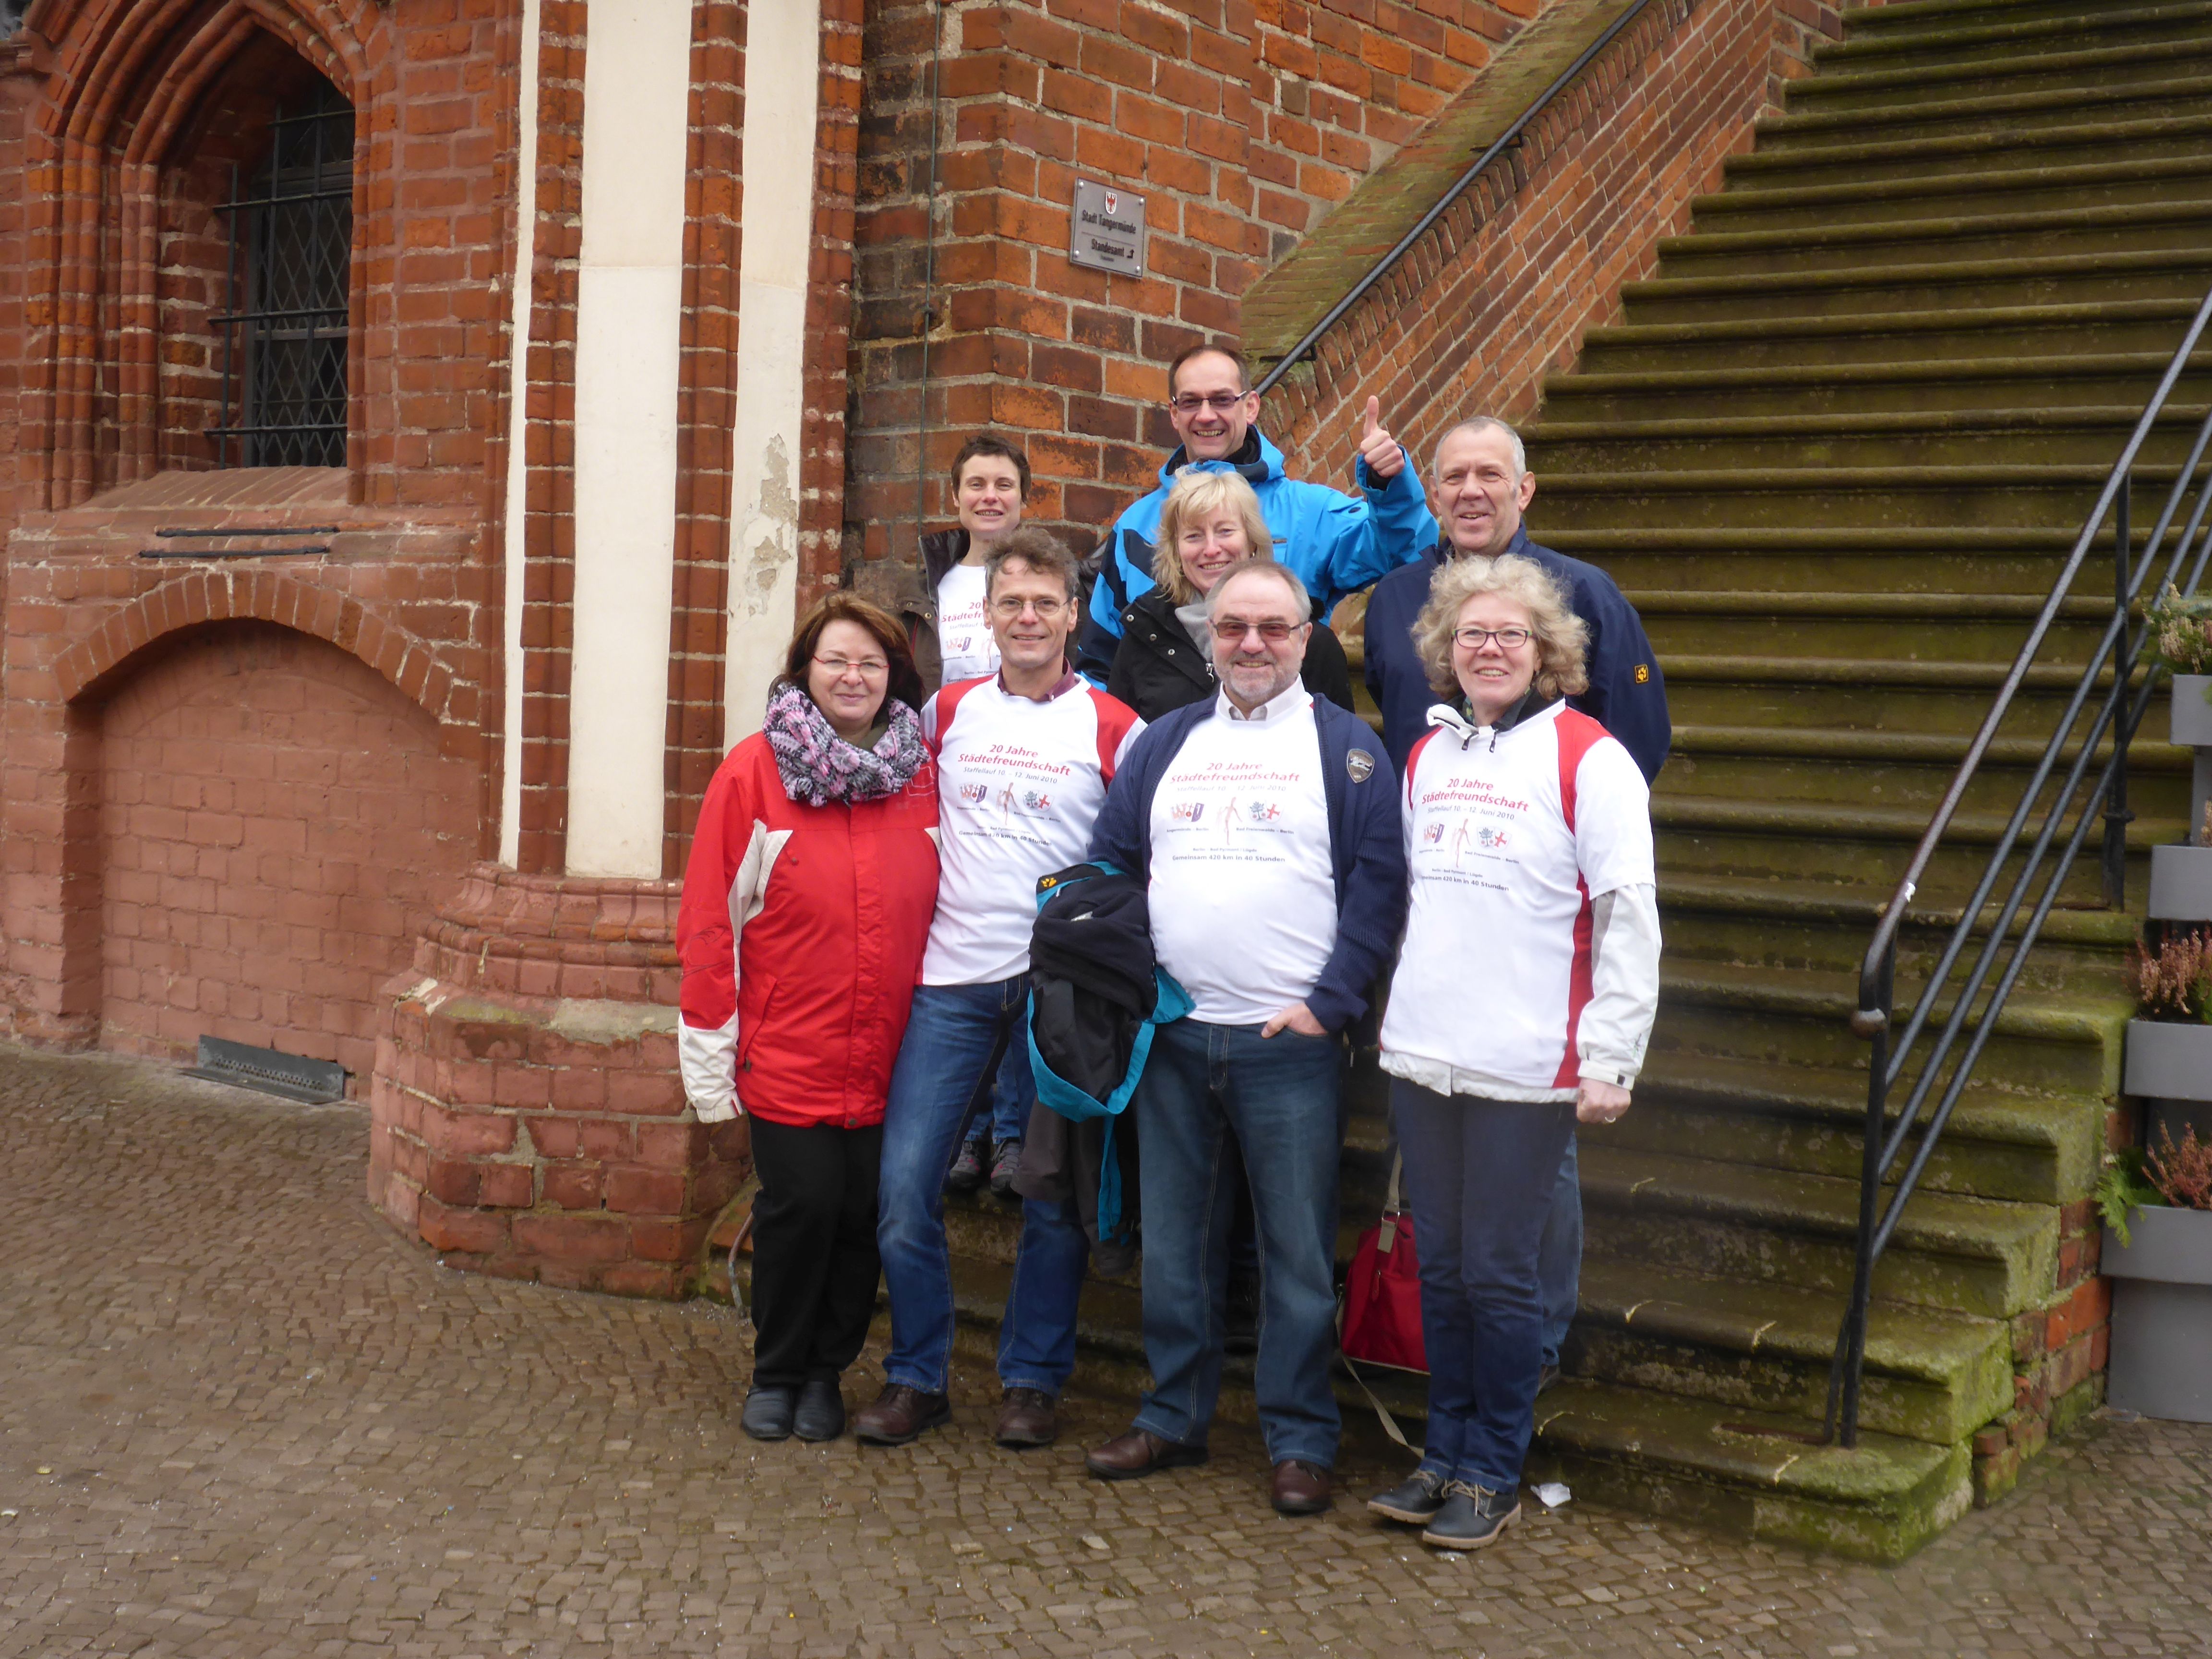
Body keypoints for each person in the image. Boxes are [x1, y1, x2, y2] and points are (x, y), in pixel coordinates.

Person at [1082, 561, 1407, 1517]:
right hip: (1175, 1038)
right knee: (1175, 1245)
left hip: (1291, 1046)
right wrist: (1137, 982)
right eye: (1232, 629)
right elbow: (1111, 862)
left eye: (1272, 627)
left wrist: (1332, 1004)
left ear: (1307, 637)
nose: (1252, 644)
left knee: (1295, 1254)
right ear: (1208, 637)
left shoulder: (1347, 751)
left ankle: (1302, 1438)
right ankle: (1173, 1416)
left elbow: (1381, 888)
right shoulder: (1163, 742)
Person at [1361, 414, 1671, 1392]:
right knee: (1451, 1184)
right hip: (1444, 919)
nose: (1470, 491)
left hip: (1541, 929)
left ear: (1523, 491)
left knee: (1541, 1169)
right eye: (1452, 476)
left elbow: (1637, 744)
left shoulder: (1590, 595)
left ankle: (1530, 1350)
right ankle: (1465, 1356)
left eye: (1490, 475)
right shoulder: (1396, 600)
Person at [857, 528, 1147, 1453]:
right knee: (904, 1190)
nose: (1027, 619)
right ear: (987, 617)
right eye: (1011, 604)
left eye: (1044, 603)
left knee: (1048, 1198)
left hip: (1057, 993)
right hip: (948, 978)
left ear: (1074, 613)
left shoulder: (1114, 727)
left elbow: (1143, 859)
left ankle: (1030, 1381)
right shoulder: (944, 713)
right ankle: (917, 1375)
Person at [676, 594, 940, 1445]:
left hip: (893, 1049)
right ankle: (776, 1369)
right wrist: (709, 1058)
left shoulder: (921, 772)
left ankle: (827, 1370)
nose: (853, 676)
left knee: (865, 1216)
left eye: (870, 662)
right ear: (805, 670)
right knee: (801, 1209)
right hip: (789, 1044)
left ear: (893, 675)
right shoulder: (753, 772)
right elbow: (710, 920)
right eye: (835, 660)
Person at [1074, 345, 1434, 684]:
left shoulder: (1310, 513)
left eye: (1221, 400)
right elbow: (1101, 661)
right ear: (1174, 414)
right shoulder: (1136, 526)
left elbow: (1410, 552)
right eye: (1190, 402)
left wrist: (1389, 485)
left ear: (1250, 407)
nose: (1205, 415)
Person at [1107, 468, 1355, 720]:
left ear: (1252, 541)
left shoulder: (1309, 642)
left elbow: (1338, 745)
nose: (1212, 549)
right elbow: (1121, 750)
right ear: (1176, 552)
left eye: (1225, 531)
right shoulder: (1142, 638)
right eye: (1194, 536)